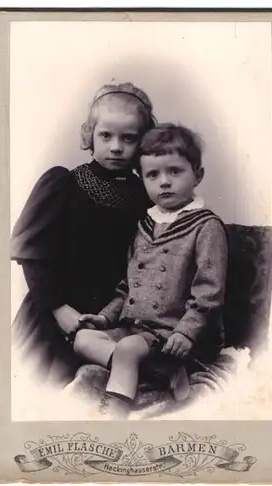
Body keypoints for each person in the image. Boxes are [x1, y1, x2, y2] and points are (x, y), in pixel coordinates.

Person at [73, 123, 229, 419]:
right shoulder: (145, 226)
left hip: (176, 336)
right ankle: (162, 373)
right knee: (83, 339)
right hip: (137, 330)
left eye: (175, 171)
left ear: (197, 175)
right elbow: (127, 286)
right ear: (142, 179)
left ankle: (114, 418)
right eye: (153, 175)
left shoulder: (206, 227)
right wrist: (105, 317)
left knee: (129, 348)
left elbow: (210, 293)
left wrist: (186, 333)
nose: (164, 182)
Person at [11, 82, 156, 386]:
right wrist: (58, 309)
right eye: (106, 135)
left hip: (114, 316)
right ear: (89, 134)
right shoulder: (65, 184)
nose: (116, 146)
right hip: (57, 310)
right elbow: (34, 256)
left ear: (142, 142)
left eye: (128, 139)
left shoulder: (145, 197)